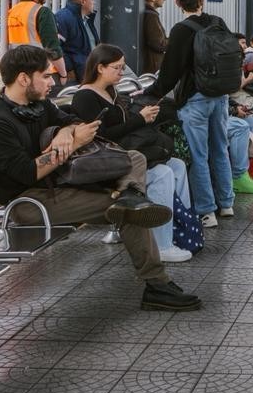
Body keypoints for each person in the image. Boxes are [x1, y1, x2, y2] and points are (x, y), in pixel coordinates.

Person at [0, 45, 200, 310]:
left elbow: (71, 119)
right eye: (45, 76)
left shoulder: (38, 104)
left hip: (61, 184)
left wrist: (64, 132)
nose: (53, 81)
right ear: (24, 79)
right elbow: (27, 173)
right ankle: (157, 285)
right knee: (129, 210)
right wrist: (71, 145)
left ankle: (130, 195)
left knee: (135, 159)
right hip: (30, 202)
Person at [70, 44, 195, 264]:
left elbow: (121, 125)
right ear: (100, 68)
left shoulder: (111, 91)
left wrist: (142, 116)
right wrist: (140, 119)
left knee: (177, 165)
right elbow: (103, 136)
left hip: (124, 153)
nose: (121, 72)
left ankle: (180, 226)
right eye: (116, 67)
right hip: (107, 160)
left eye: (122, 67)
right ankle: (161, 244)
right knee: (163, 173)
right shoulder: (85, 97)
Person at [148, 0, 236, 229]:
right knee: (220, 148)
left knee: (199, 155)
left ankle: (207, 211)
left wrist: (150, 94)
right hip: (220, 96)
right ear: (202, 0)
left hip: (195, 100)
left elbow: (169, 74)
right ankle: (227, 203)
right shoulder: (217, 22)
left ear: (177, 3)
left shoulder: (181, 30)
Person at [7, 0, 66, 79]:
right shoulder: (42, 12)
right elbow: (53, 48)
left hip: (20, 71)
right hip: (42, 72)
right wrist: (63, 74)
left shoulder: (12, 12)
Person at [53, 0, 100, 82]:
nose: (93, 3)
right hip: (76, 75)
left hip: (89, 71)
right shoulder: (63, 17)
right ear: (83, 1)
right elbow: (56, 47)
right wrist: (69, 69)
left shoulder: (87, 20)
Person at [141, 0, 168, 74]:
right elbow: (158, 43)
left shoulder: (147, 13)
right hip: (152, 68)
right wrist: (173, 42)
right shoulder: (151, 16)